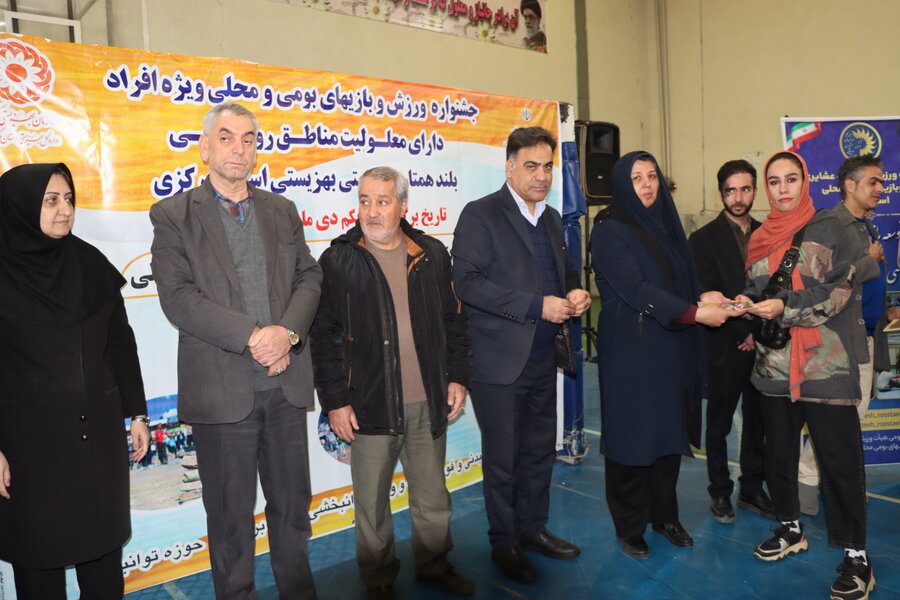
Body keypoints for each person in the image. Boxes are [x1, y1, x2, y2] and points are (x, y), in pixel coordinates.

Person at [150, 102, 322, 599]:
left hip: (284, 385)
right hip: (222, 394)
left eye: (248, 139)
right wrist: (255, 335)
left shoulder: (281, 210)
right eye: (226, 138)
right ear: (205, 147)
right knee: (230, 522)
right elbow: (179, 298)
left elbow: (309, 276)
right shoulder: (174, 215)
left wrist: (287, 333)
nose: (238, 149)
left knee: (293, 511)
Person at [311, 166, 473, 600]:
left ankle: (435, 565)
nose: (371, 211)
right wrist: (335, 400)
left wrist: (458, 377)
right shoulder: (338, 260)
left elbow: (454, 322)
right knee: (371, 504)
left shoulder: (431, 254)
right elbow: (323, 338)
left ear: (402, 206)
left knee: (432, 498)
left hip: (427, 403)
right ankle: (379, 580)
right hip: (368, 405)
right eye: (364, 201)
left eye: (382, 202)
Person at [0, 163, 149, 599]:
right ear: (19, 207)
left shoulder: (89, 263)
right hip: (28, 453)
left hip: (95, 444)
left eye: (68, 199)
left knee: (103, 572)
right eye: (50, 200)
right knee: (40, 571)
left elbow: (120, 344)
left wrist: (137, 414)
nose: (64, 210)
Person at [451, 127, 589, 582]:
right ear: (509, 167)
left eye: (548, 166)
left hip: (544, 357)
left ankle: (533, 530)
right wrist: (536, 306)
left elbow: (564, 272)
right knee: (504, 460)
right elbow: (468, 284)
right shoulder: (481, 214)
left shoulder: (550, 218)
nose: (542, 176)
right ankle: (505, 543)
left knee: (537, 453)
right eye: (531, 166)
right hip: (498, 364)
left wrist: (575, 291)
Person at [735, 151, 872, 600]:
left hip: (825, 364)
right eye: (774, 181)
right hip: (774, 367)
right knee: (779, 455)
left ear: (805, 181)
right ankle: (790, 528)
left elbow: (840, 290)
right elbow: (758, 289)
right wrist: (743, 302)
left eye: (791, 179)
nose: (783, 189)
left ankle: (857, 557)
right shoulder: (759, 237)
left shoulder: (829, 227)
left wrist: (785, 307)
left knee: (839, 463)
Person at [590, 151, 737, 560]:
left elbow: (677, 279)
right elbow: (635, 288)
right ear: (623, 184)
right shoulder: (610, 229)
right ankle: (630, 525)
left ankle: (665, 516)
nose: (647, 185)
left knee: (668, 433)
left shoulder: (666, 225)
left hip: (671, 345)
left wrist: (702, 295)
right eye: (637, 178)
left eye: (652, 176)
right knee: (632, 438)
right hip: (632, 351)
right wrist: (694, 313)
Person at [798, 154, 899, 515]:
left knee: (853, 418)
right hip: (837, 342)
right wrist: (869, 262)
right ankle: (807, 482)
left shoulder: (866, 227)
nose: (881, 189)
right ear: (850, 185)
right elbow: (816, 283)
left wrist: (886, 310)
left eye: (882, 181)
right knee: (836, 421)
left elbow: (865, 287)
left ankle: (835, 484)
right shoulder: (829, 224)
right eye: (873, 181)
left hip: (866, 337)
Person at [688, 159, 774, 523]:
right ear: (721, 192)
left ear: (754, 191)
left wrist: (756, 332)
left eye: (745, 189)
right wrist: (743, 331)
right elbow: (705, 292)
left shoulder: (770, 234)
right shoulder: (702, 240)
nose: (738, 198)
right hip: (725, 346)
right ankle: (720, 492)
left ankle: (752, 489)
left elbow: (777, 287)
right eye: (730, 190)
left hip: (764, 346)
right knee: (719, 424)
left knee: (758, 424)